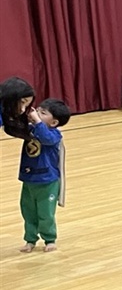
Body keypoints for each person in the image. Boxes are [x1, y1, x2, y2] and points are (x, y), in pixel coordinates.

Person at [16, 98, 71, 253]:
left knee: (45, 213)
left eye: (43, 113)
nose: (37, 113)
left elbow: (46, 139)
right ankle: (30, 239)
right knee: (28, 211)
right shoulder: (31, 129)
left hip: (47, 181)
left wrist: (38, 122)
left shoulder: (54, 135)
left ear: (53, 123)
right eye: (38, 110)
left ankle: (50, 239)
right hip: (29, 179)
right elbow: (15, 128)